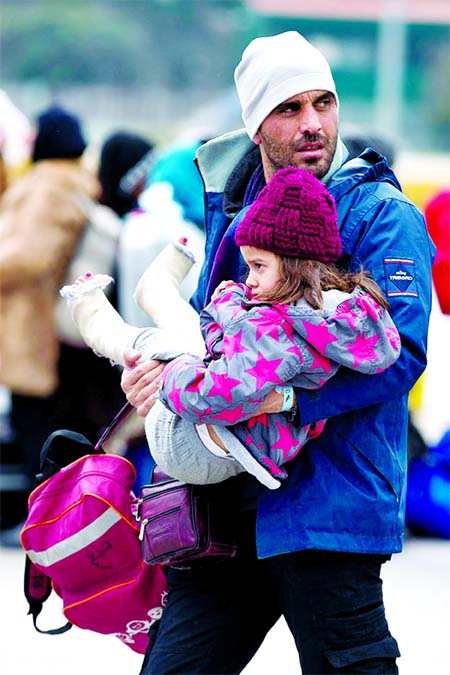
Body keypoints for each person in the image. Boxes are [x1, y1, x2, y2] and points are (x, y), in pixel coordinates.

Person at [122, 31, 435, 675]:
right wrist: (161, 376)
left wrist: (285, 395)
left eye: (324, 102)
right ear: (255, 123)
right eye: (289, 108)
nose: (313, 123)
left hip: (327, 503)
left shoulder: (383, 214)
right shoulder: (234, 207)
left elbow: (401, 354)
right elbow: (217, 334)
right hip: (223, 504)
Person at [63, 166, 401, 491]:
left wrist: (168, 374)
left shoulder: (272, 332)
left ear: (298, 267)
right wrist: (233, 309)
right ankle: (157, 293)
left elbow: (213, 393)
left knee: (162, 345)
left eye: (258, 266)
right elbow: (231, 354)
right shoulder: (341, 314)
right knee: (189, 339)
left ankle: (99, 322)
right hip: (245, 441)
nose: (249, 279)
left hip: (193, 443)